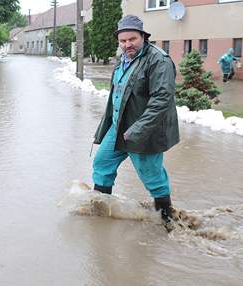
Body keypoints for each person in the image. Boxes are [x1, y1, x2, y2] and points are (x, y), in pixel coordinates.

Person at [91, 15, 180, 228]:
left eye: (132, 39)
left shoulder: (158, 60)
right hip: (118, 126)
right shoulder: (123, 60)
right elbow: (117, 96)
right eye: (123, 41)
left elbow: (161, 100)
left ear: (143, 36)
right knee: (102, 163)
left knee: (152, 175)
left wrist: (138, 130)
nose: (127, 44)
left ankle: (167, 220)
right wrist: (107, 125)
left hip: (144, 130)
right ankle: (100, 214)